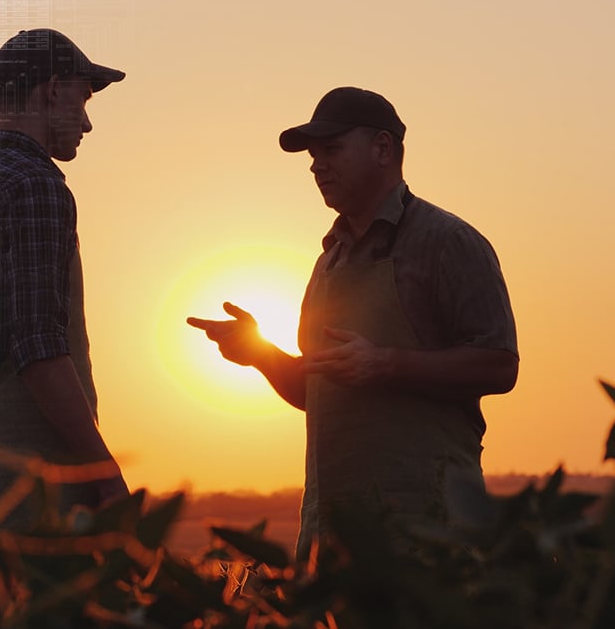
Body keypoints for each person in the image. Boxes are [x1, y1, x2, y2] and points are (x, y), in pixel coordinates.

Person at [187, 86, 519, 559]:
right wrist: (260, 353)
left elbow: (500, 366)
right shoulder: (328, 262)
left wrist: (385, 364)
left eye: (332, 149)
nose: (316, 165)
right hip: (331, 538)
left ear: (383, 149)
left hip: (427, 537)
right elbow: (319, 393)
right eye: (313, 155)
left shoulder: (449, 242)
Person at [0, 28, 129, 529]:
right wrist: (101, 470)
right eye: (83, 99)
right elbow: (38, 346)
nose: (86, 121)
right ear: (53, 88)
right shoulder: (37, 187)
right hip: (42, 484)